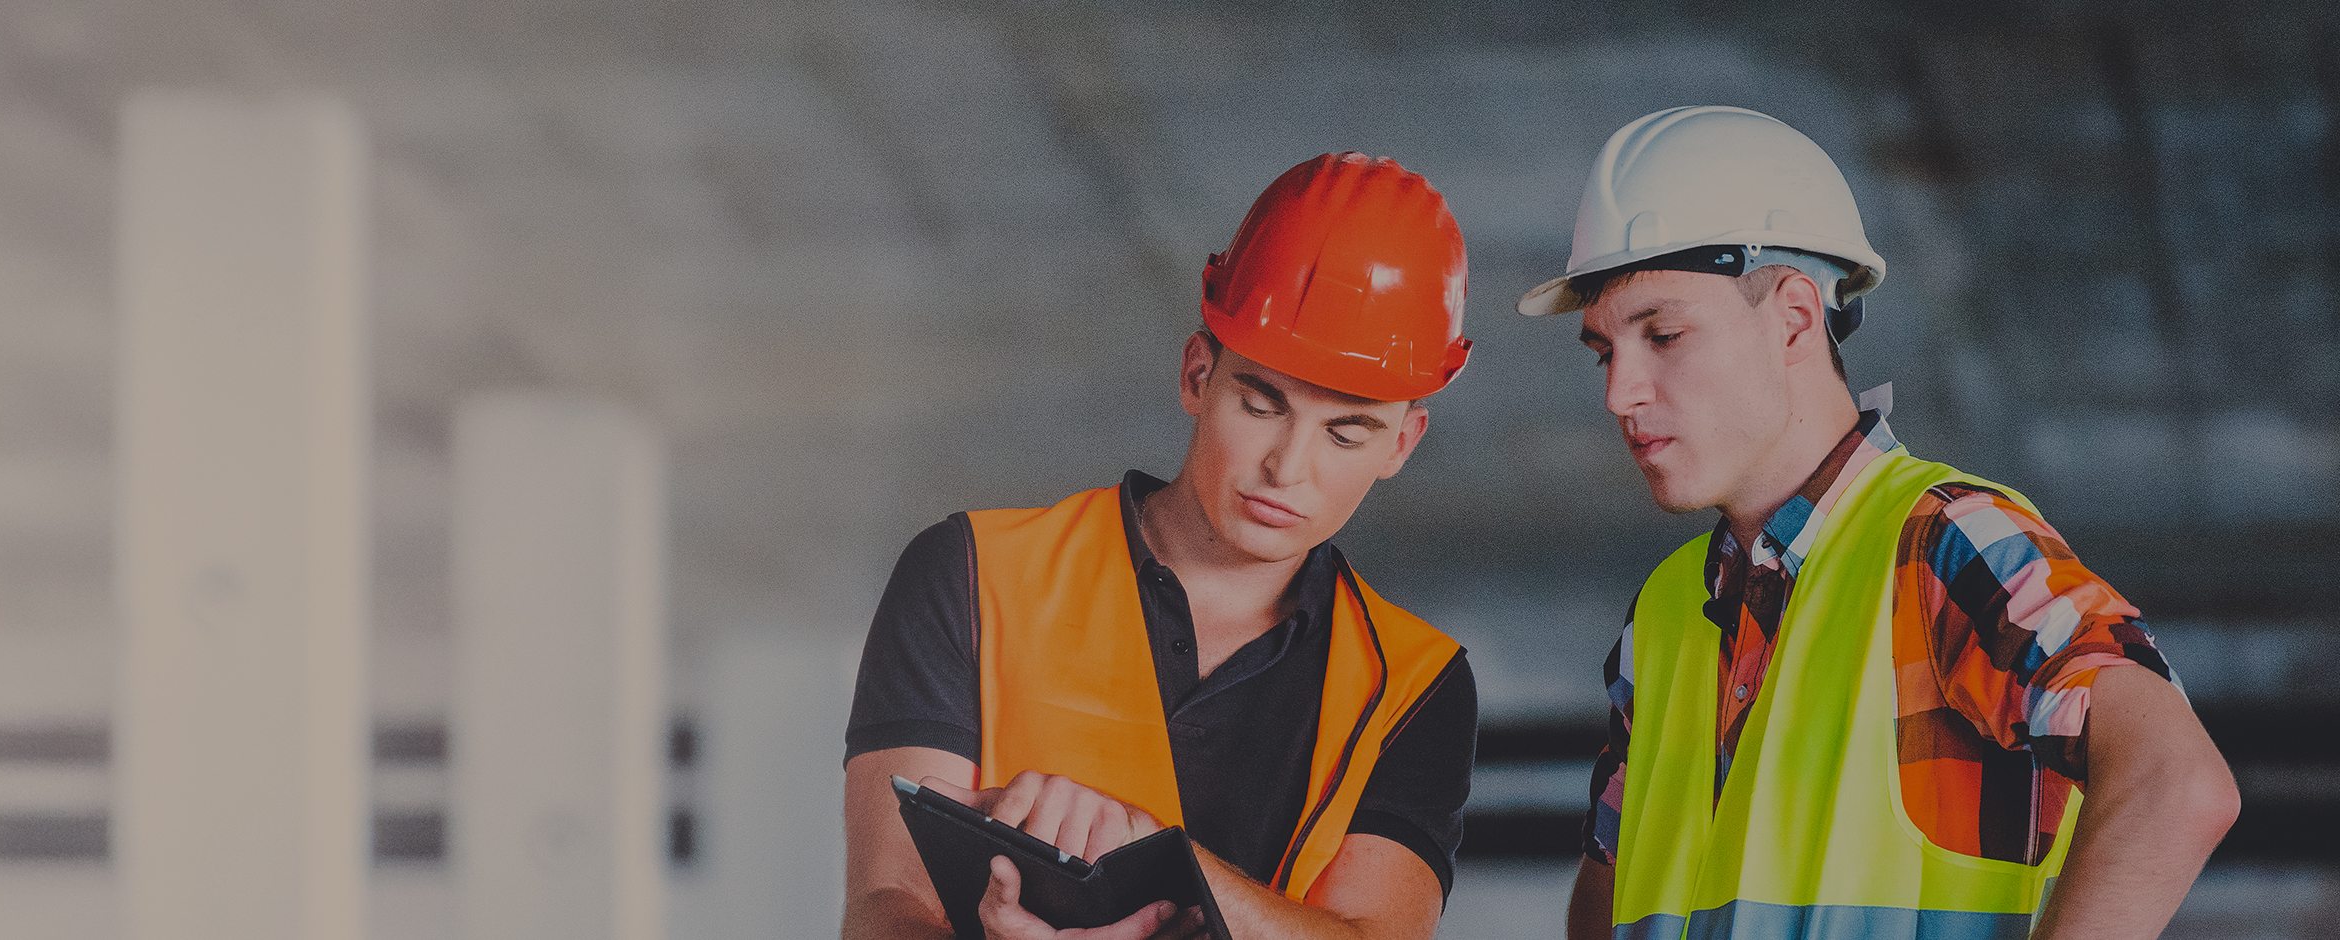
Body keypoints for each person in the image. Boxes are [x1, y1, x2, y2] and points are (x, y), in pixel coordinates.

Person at [1515, 106, 2240, 940]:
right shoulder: (1667, 614)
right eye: (1606, 352)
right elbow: (1602, 910)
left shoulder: (1947, 543)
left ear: (1793, 317)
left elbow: (2175, 786)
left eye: (1665, 335)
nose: (1619, 394)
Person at [841, 152, 1483, 940]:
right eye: (1261, 403)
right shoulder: (973, 575)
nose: (1288, 468)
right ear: (1196, 374)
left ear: (1401, 445)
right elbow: (885, 908)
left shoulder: (1413, 686)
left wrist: (1161, 859)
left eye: (1346, 433)